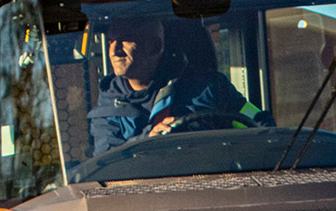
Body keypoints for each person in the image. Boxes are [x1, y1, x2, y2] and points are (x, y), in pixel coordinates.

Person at [86, 14, 266, 157]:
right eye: (110, 41)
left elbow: (255, 119)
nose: (114, 50)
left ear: (155, 46)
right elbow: (105, 164)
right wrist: (146, 141)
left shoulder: (210, 87)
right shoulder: (106, 111)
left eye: (126, 39)